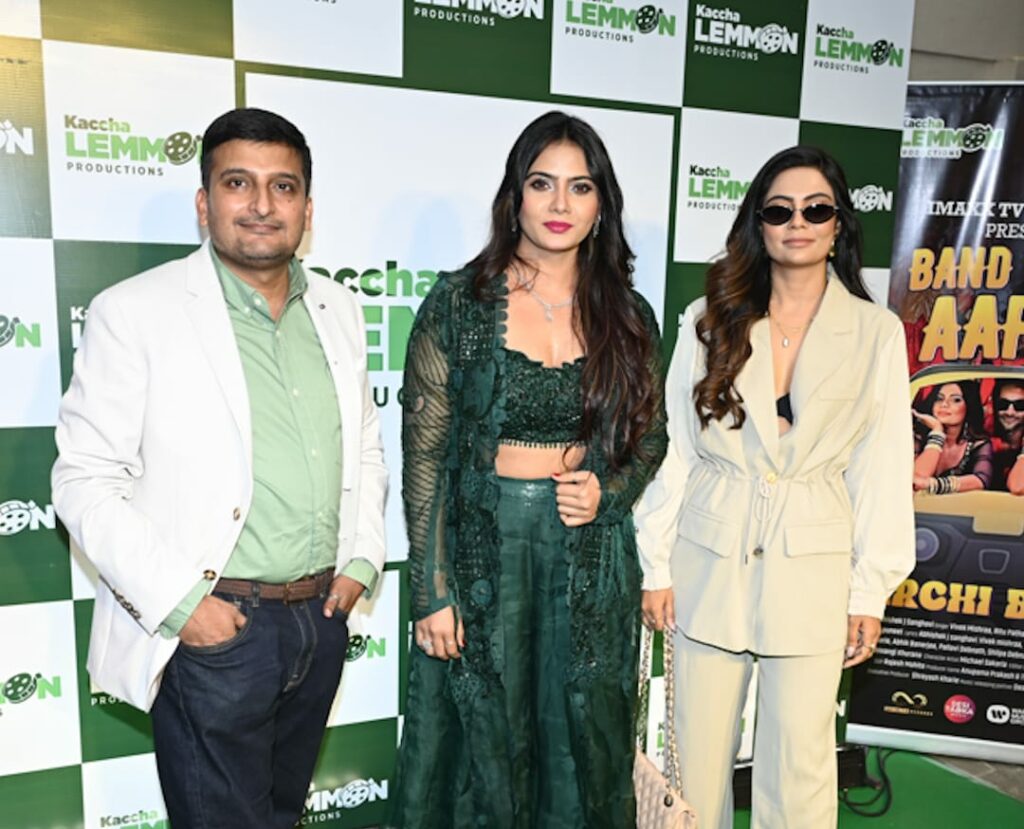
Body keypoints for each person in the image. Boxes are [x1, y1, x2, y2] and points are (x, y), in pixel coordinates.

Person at [51, 108, 387, 829]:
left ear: (307, 208)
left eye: (283, 186)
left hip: (319, 618)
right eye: (239, 183)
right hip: (217, 628)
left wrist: (362, 556)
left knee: (282, 815)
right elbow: (82, 482)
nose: (262, 204)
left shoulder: (339, 308)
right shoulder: (134, 312)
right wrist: (186, 608)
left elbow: (362, 441)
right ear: (205, 203)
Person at [388, 111, 667, 828]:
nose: (560, 203)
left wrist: (609, 491)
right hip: (483, 553)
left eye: (580, 186)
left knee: (579, 741)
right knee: (481, 741)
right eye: (542, 184)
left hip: (588, 558)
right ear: (515, 196)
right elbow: (425, 454)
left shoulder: (628, 315)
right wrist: (430, 589)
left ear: (602, 204)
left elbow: (652, 436)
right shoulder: (459, 303)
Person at [635, 146, 916, 829]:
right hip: (709, 557)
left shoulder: (875, 333)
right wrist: (656, 563)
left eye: (816, 210)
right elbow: (676, 448)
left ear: (839, 225)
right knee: (693, 765)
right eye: (779, 210)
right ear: (757, 224)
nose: (798, 223)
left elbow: (881, 467)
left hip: (814, 570)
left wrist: (868, 591)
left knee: (801, 772)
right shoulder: (709, 318)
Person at [912, 380, 992, 494]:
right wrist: (937, 432)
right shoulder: (917, 436)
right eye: (939, 398)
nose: (944, 404)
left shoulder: (979, 444)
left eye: (956, 400)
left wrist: (934, 485)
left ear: (969, 406)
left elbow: (981, 480)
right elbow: (916, 480)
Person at [991, 378, 1024, 494]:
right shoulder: (985, 441)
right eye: (1003, 404)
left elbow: (1017, 487)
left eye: (1020, 406)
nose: (1010, 412)